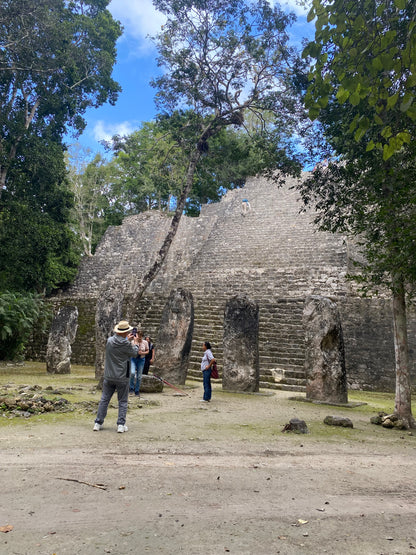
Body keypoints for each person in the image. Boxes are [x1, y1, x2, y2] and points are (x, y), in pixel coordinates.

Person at [93, 320, 138, 433]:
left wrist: (126, 341)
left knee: (104, 399)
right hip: (122, 376)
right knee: (122, 401)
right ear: (126, 332)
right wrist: (135, 342)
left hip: (109, 375)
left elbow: (118, 346)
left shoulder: (109, 341)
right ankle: (120, 424)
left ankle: (98, 422)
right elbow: (134, 353)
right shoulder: (127, 344)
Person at [129, 329, 149, 397]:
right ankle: (131, 388)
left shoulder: (145, 342)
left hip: (141, 359)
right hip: (133, 359)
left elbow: (147, 351)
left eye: (141, 336)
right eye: (138, 336)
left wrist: (142, 353)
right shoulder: (132, 342)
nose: (139, 338)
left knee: (139, 376)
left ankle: (137, 390)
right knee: (132, 373)